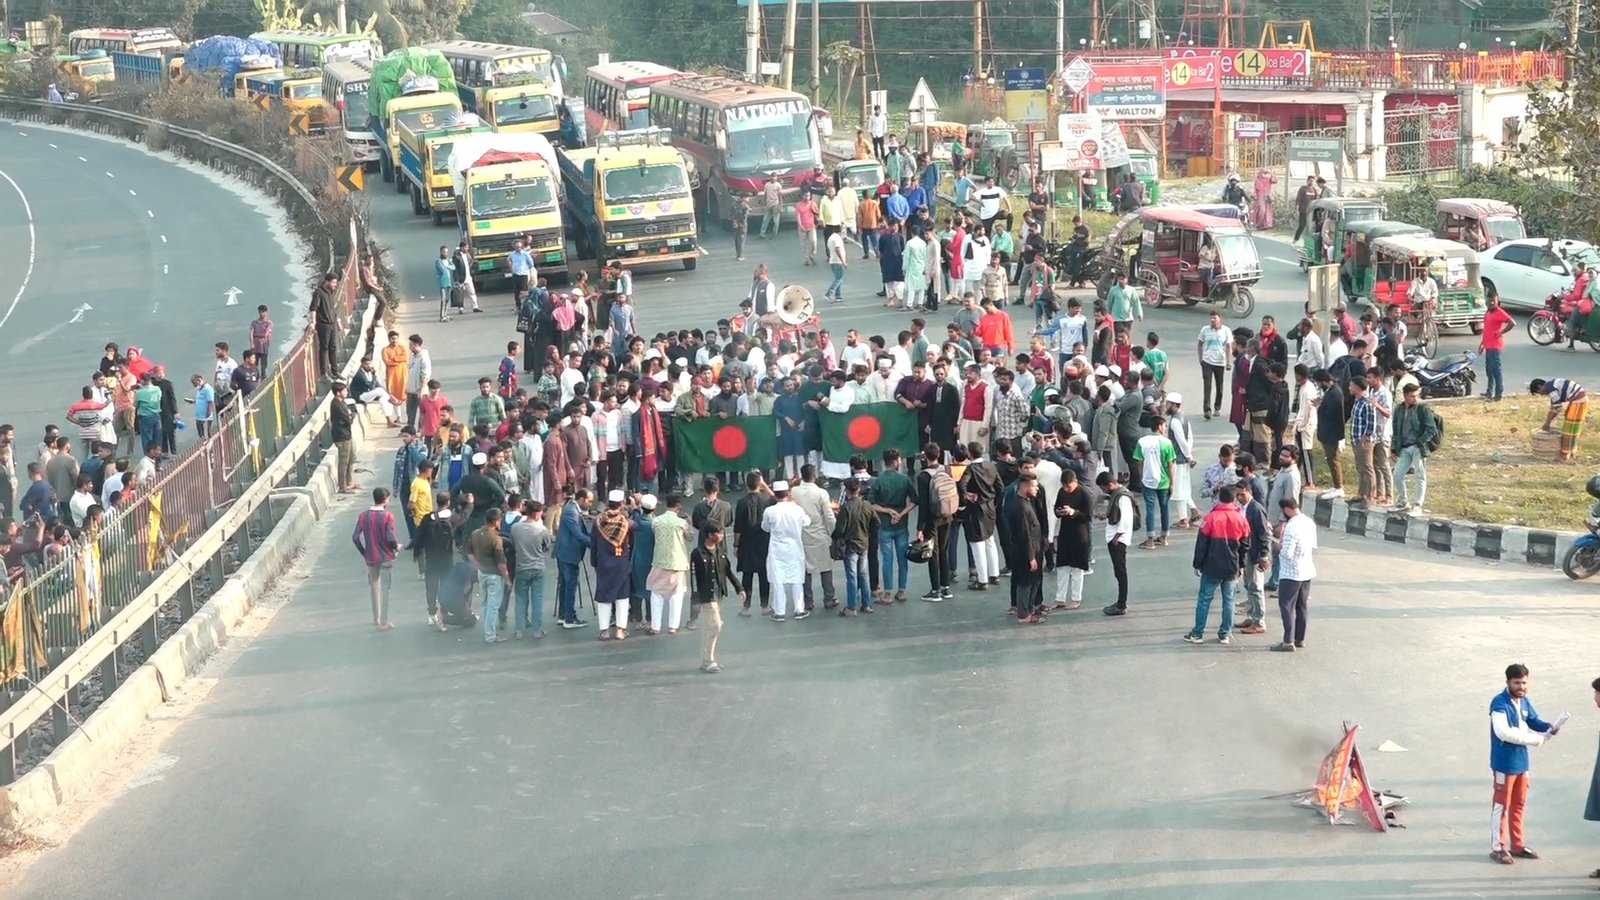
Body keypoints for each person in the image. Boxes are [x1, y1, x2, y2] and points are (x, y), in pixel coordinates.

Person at [1489, 663, 1559, 865]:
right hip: (1504, 764)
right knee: (1501, 806)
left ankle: (1517, 845)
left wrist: (1549, 727)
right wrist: (1535, 739)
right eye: (1517, 683)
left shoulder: (1524, 701)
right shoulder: (1499, 704)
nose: (1521, 686)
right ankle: (1498, 847)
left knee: (1519, 804)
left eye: (1524, 682)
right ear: (1508, 682)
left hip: (1522, 763)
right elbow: (1504, 733)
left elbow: (1534, 720)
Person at [1184, 485, 1249, 645]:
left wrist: (1197, 564)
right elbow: (1245, 546)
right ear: (1234, 499)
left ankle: (1198, 633)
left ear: (1220, 498)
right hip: (1232, 565)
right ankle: (1225, 634)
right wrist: (1241, 566)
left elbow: (1201, 544)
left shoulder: (1210, 518)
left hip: (1211, 566)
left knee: (1205, 599)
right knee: (1229, 600)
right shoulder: (1241, 519)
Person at [690, 522, 741, 673]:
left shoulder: (721, 551)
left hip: (719, 594)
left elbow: (728, 571)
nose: (721, 536)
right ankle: (709, 660)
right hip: (706, 596)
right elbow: (693, 577)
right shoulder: (697, 553)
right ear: (709, 535)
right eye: (718, 533)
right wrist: (695, 599)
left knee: (709, 628)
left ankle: (706, 659)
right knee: (716, 625)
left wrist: (739, 588)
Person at [1271, 496, 1317, 652]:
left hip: (1291, 572)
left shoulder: (1292, 526)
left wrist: (1278, 547)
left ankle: (1288, 641)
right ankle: (1299, 638)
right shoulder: (1309, 522)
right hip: (1307, 570)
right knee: (1301, 606)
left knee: (1287, 606)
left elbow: (1287, 554)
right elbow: (1312, 545)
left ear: (1286, 509)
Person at [350, 487, 399, 632]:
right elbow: (390, 537)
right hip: (386, 557)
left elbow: (355, 537)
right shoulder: (388, 516)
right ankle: (384, 621)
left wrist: (364, 552)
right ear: (384, 501)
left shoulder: (363, 516)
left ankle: (375, 618)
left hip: (371, 557)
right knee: (386, 589)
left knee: (374, 587)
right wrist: (396, 547)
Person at [761, 480, 811, 621]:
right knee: (797, 579)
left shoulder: (769, 511)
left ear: (775, 495)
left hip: (777, 550)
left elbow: (765, 527)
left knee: (777, 580)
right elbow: (807, 522)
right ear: (788, 494)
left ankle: (779, 611)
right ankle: (799, 609)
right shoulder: (797, 509)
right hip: (795, 548)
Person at [1391, 383, 1440, 514]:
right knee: (1397, 475)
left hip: (1418, 447)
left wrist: (1420, 442)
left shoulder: (1422, 409)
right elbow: (1396, 430)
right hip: (1404, 447)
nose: (1415, 398)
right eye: (1412, 396)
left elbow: (1431, 428)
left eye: (1417, 395)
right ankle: (1403, 501)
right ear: (1405, 396)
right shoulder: (1399, 410)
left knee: (1420, 475)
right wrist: (1394, 448)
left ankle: (1418, 504)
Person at [1132, 416, 1176, 548]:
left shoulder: (1142, 441)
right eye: (1164, 425)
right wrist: (1172, 482)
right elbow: (1170, 464)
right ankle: (1164, 537)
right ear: (1160, 426)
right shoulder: (1167, 443)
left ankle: (1150, 539)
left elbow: (1138, 461)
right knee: (1164, 508)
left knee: (1150, 509)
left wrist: (1141, 477)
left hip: (1148, 480)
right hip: (1164, 481)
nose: (1165, 428)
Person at [509, 499, 550, 639]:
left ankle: (519, 630)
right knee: (537, 599)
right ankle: (537, 630)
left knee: (520, 599)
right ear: (537, 514)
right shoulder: (542, 530)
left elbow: (514, 544)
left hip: (521, 567)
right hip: (538, 567)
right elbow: (547, 546)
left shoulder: (515, 528)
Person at [553, 487, 593, 629]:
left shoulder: (572, 508)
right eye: (589, 501)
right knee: (570, 586)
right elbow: (578, 534)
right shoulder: (571, 511)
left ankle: (563, 615)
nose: (590, 504)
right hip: (568, 554)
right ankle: (569, 618)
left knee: (565, 585)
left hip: (565, 553)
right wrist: (594, 545)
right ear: (581, 499)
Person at [1097, 469, 1133, 617]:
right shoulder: (1117, 495)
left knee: (1121, 572)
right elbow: (1116, 514)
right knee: (1119, 572)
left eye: (1104, 488)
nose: (1104, 491)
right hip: (1116, 537)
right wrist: (1104, 516)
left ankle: (1121, 604)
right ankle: (1120, 602)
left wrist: (1116, 538)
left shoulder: (1122, 497)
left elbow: (1124, 519)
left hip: (1119, 540)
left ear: (1110, 484)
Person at [1530, 377, 1588, 460]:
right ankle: (1570, 453)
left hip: (1579, 400)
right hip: (1577, 399)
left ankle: (1566, 455)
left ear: (1540, 386)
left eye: (1539, 392)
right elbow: (1553, 407)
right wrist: (1548, 421)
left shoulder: (1551, 390)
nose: (1542, 394)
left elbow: (1557, 408)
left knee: (1570, 429)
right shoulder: (1552, 385)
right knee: (1571, 427)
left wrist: (1547, 423)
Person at [1479, 289, 1514, 401]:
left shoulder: (1499, 312)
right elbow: (1486, 330)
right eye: (1489, 301)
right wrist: (1482, 344)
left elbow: (1512, 322)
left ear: (1497, 300)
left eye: (1494, 301)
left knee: (1496, 371)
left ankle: (1499, 394)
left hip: (1495, 346)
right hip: (1488, 346)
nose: (1491, 303)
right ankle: (1489, 392)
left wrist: (1501, 332)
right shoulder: (1488, 312)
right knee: (1489, 371)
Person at [824, 226, 848, 303]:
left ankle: (838, 295)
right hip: (837, 261)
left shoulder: (831, 237)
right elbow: (837, 249)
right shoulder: (837, 238)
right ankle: (829, 292)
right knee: (839, 278)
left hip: (832, 260)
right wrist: (843, 261)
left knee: (837, 277)